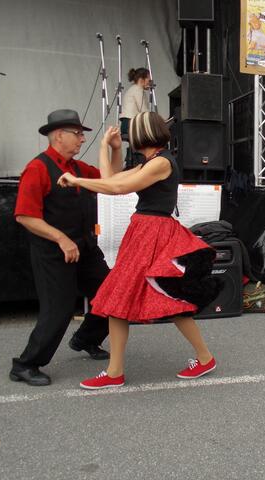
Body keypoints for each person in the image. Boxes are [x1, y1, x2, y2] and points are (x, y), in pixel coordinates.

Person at [57, 112, 219, 389]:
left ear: (143, 134)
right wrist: (108, 148)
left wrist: (77, 180)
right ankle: (117, 371)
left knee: (153, 297)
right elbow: (110, 180)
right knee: (132, 298)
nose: (128, 136)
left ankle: (200, 359)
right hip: (145, 232)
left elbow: (117, 187)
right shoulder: (152, 162)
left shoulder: (161, 163)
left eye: (131, 132)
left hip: (152, 233)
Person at [10, 109, 110, 387]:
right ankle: (25, 364)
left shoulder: (78, 169)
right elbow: (25, 216)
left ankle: (86, 339)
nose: (81, 139)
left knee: (112, 293)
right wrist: (61, 239)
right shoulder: (37, 168)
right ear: (58, 136)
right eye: (77, 134)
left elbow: (108, 179)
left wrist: (113, 148)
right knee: (59, 309)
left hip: (84, 248)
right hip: (54, 252)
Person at [120, 68, 150, 168]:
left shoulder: (133, 89)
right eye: (148, 79)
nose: (149, 82)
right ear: (141, 79)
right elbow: (144, 111)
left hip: (127, 124)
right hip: (131, 125)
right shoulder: (137, 90)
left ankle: (132, 161)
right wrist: (158, 120)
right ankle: (138, 163)